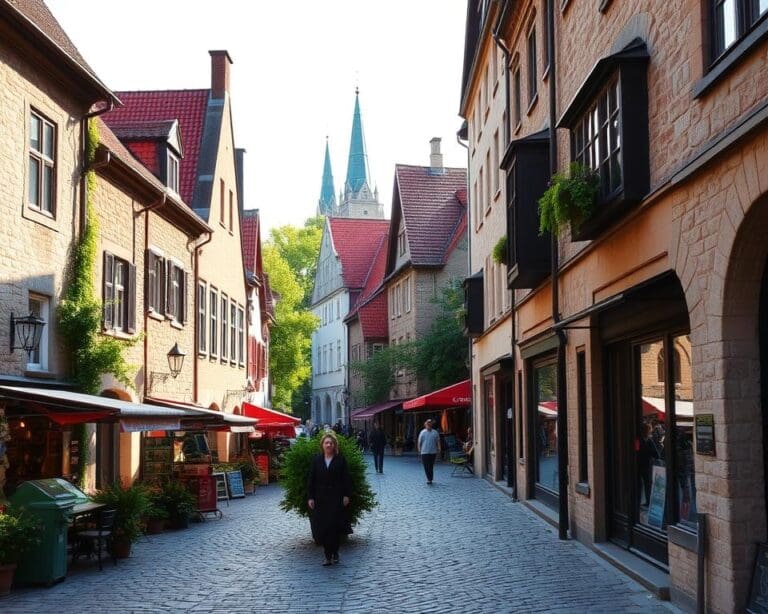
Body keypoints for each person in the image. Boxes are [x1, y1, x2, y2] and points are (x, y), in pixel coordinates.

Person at [307, 432, 352, 566]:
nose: (328, 445)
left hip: (336, 498)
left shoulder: (340, 460)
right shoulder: (317, 460)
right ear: (322, 445)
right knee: (324, 527)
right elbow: (311, 480)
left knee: (334, 527)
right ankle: (327, 555)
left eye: (331, 443)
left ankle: (335, 552)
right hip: (321, 499)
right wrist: (310, 497)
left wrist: (346, 495)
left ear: (334, 445)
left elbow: (346, 479)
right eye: (326, 443)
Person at [417, 419, 441, 484]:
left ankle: (430, 478)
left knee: (431, 465)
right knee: (426, 466)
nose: (429, 425)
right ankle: (429, 479)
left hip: (433, 452)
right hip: (424, 452)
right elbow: (419, 442)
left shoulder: (435, 432)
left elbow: (438, 441)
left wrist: (439, 448)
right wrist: (419, 450)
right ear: (425, 425)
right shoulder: (422, 432)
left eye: (430, 424)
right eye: (428, 424)